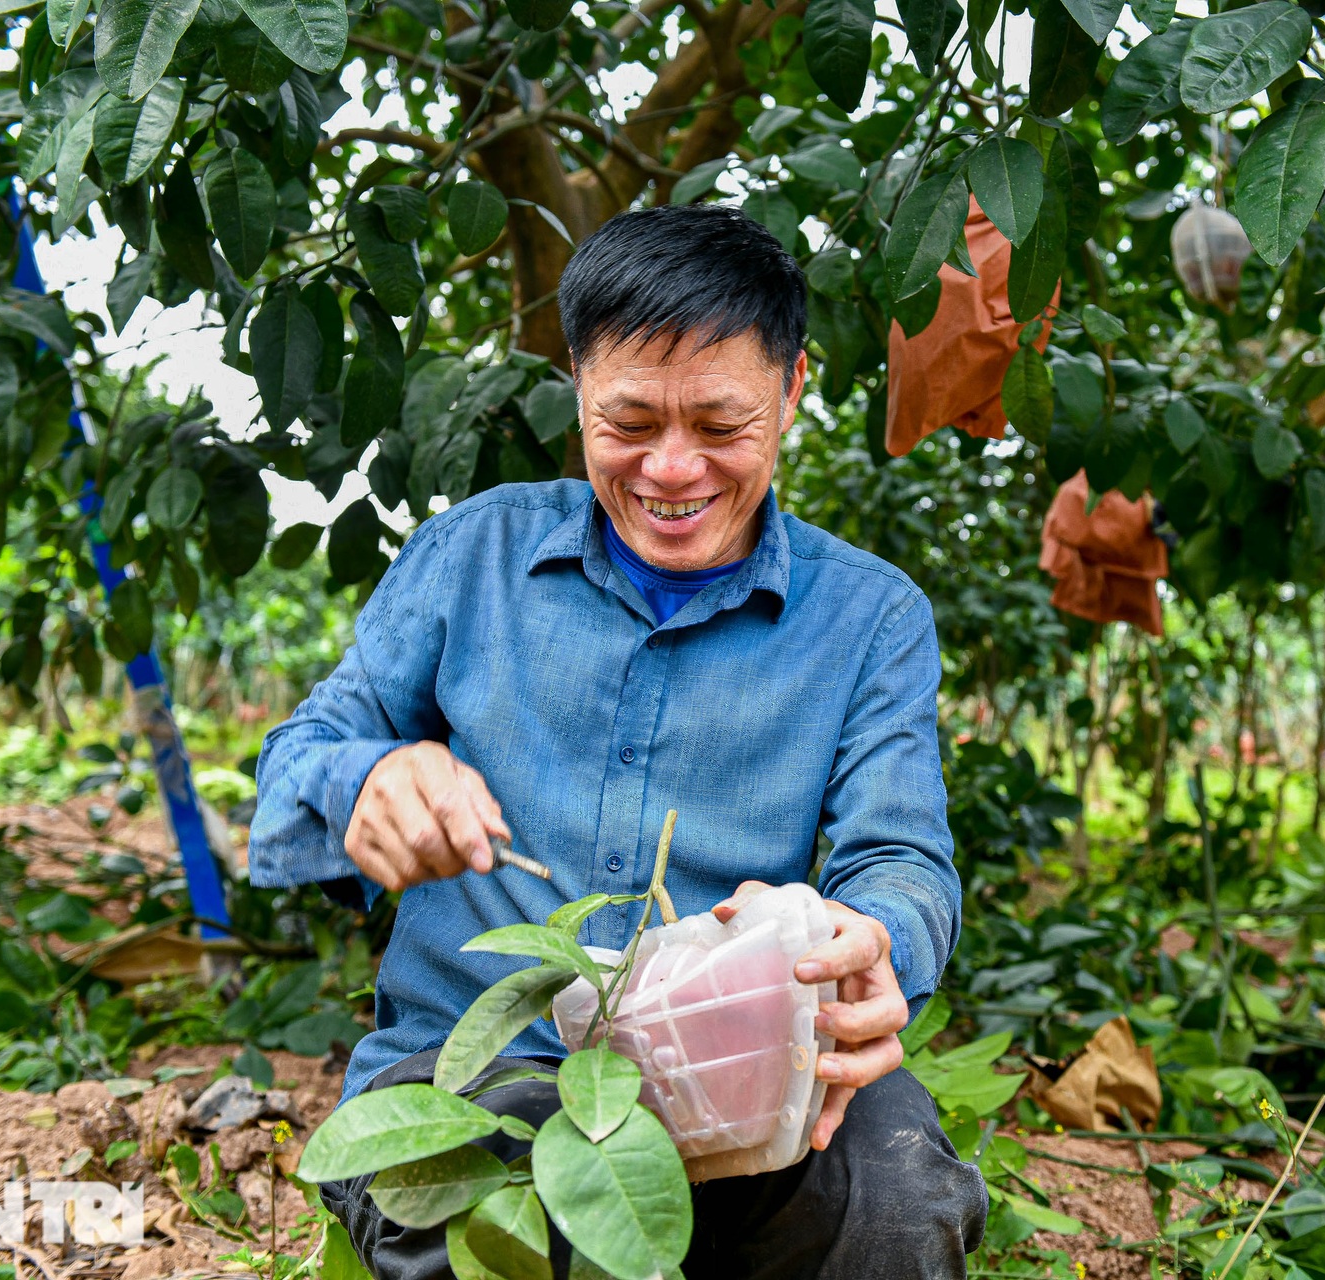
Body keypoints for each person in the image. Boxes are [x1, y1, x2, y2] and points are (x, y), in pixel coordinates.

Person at [249, 204, 986, 1279]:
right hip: (484, 1062)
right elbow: (297, 765)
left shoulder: (870, 617)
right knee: (487, 1226)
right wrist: (363, 778)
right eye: (629, 423)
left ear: (790, 391)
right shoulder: (470, 558)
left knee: (893, 1194)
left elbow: (901, 857)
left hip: (750, 1076)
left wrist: (871, 936)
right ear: (579, 391)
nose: (674, 469)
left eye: (721, 424)